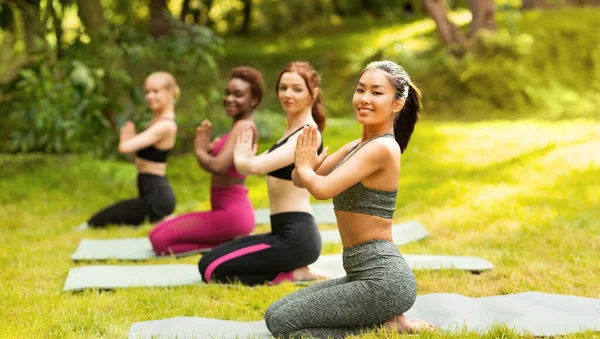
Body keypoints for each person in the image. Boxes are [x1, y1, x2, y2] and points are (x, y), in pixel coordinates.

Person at [264, 60, 436, 338]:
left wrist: (307, 169)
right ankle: (387, 322)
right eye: (360, 90)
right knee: (275, 314)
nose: (365, 99)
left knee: (287, 327)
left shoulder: (382, 148)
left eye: (377, 93)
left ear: (397, 104)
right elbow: (300, 180)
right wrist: (305, 165)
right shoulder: (356, 146)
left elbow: (320, 189)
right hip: (360, 274)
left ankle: (383, 325)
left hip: (383, 279)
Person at [197, 61, 328, 285]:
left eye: (297, 89)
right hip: (281, 232)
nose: (288, 94)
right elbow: (257, 161)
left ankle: (292, 274)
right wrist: (245, 157)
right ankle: (295, 270)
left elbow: (256, 166)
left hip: (296, 237)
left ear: (312, 94)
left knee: (212, 270)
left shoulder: (308, 133)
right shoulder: (290, 133)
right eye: (283, 88)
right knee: (206, 262)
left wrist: (240, 158)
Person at [149, 67, 264, 255]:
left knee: (160, 242)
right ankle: (228, 241)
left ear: (254, 100)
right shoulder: (238, 126)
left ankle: (226, 244)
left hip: (232, 214)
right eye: (227, 93)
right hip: (224, 212)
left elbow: (218, 167)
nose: (229, 99)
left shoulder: (244, 126)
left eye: (238, 95)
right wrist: (210, 149)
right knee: (155, 233)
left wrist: (200, 148)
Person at [82, 72, 179, 228]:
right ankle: (161, 219)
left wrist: (125, 138)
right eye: (147, 92)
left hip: (156, 198)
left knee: (96, 221)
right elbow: (142, 159)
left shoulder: (165, 125)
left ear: (171, 92)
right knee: (104, 219)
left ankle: (163, 218)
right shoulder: (157, 122)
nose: (149, 96)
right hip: (151, 195)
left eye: (155, 91)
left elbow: (124, 148)